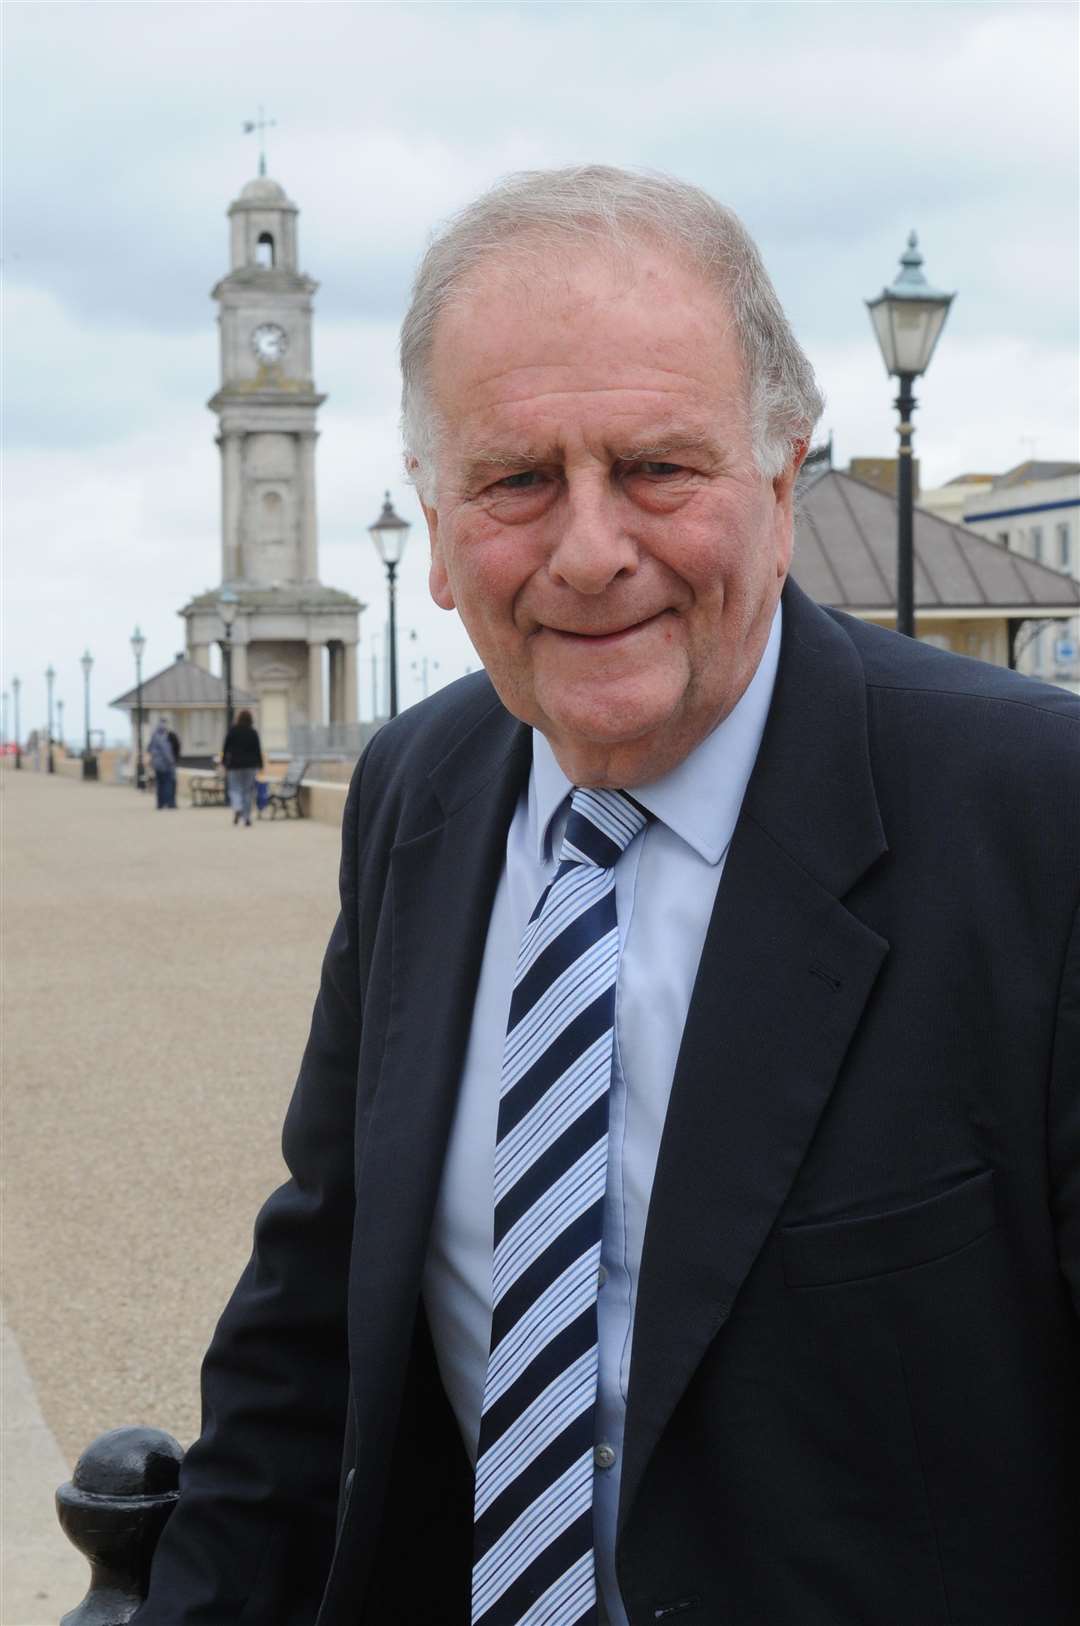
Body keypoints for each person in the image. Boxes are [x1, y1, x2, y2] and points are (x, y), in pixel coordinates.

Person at [137, 169, 1079, 1625]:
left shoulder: (1039, 822)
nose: (589, 549)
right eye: (517, 480)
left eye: (657, 466)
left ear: (779, 483)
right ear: (437, 533)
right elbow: (311, 1328)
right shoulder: (416, 795)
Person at [220, 708, 263, 827]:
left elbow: (226, 748)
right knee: (247, 791)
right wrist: (260, 765)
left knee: (234, 789)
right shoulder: (253, 732)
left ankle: (238, 807)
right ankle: (247, 816)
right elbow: (258, 750)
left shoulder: (233, 731)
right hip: (250, 766)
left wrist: (223, 762)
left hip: (234, 765)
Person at [148, 717, 177, 811]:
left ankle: (160, 804)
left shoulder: (154, 735)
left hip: (156, 764)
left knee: (159, 784)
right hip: (164, 764)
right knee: (167, 784)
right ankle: (169, 803)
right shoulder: (162, 736)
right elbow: (166, 751)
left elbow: (149, 748)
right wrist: (171, 761)